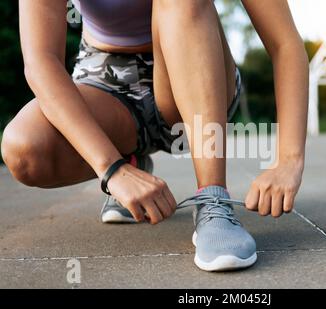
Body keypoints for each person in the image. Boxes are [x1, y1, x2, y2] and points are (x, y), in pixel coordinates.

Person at [1, 0, 309, 272]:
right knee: (24, 150)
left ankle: (214, 199)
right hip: (104, 78)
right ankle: (130, 158)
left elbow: (285, 44)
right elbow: (42, 61)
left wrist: (289, 161)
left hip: (197, 64)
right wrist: (112, 168)